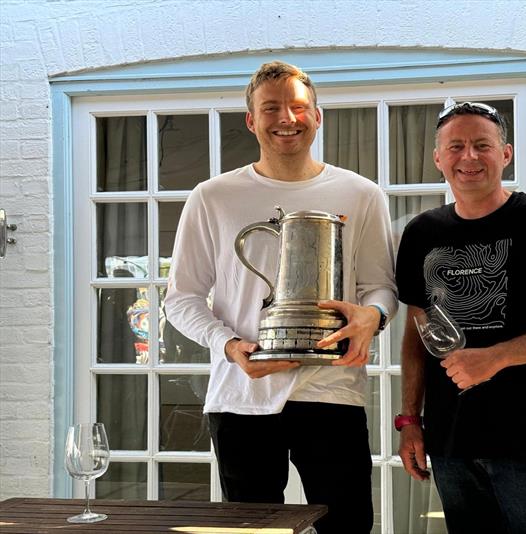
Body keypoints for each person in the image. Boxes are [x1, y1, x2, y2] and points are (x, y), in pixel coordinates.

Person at [164, 61, 397, 533]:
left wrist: (372, 316)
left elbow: (380, 285)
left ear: (318, 116)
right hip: (241, 395)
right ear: (251, 120)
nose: (286, 118)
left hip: (332, 391)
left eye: (298, 107)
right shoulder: (212, 197)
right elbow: (181, 297)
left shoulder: (361, 193)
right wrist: (229, 346)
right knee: (253, 532)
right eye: (271, 108)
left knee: (347, 527)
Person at [395, 102, 526, 534]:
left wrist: (495, 357)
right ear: (438, 159)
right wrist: (409, 421)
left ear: (506, 154)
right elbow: (417, 332)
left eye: (482, 145)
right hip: (451, 443)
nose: (469, 157)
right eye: (455, 146)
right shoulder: (421, 233)